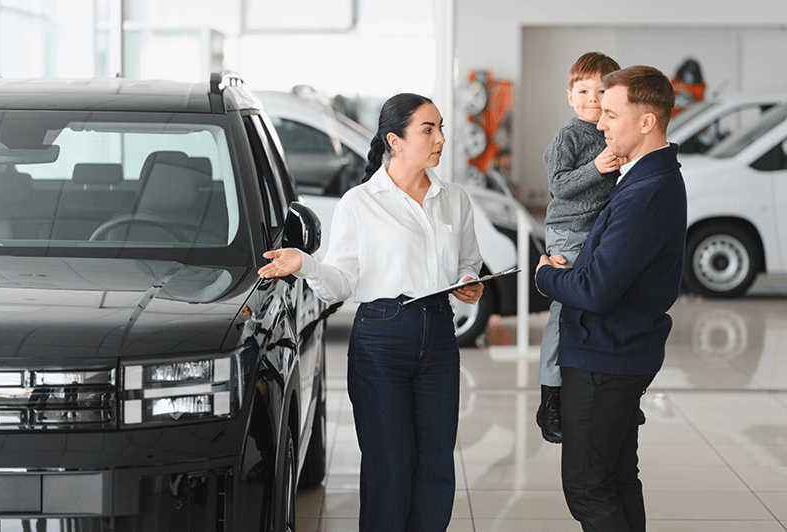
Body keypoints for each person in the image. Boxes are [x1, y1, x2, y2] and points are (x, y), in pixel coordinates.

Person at [257, 93, 484, 532]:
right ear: (394, 141)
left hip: (438, 334)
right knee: (389, 463)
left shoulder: (454, 199)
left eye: (441, 128)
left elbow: (467, 262)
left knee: (436, 461)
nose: (440, 139)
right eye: (428, 130)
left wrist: (469, 280)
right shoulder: (360, 203)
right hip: (381, 337)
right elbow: (341, 283)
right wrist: (307, 265)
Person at [534, 65, 687, 532]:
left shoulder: (646, 190)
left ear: (646, 121)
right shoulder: (644, 177)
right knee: (617, 478)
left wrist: (547, 278)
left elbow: (596, 291)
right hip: (618, 350)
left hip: (606, 356)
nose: (599, 123)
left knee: (587, 488)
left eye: (612, 114)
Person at [537, 51, 622, 444]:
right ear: (570, 95)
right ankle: (549, 397)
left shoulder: (610, 132)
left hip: (602, 232)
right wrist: (598, 168)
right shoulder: (569, 136)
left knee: (605, 304)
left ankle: (611, 391)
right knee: (564, 309)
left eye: (601, 90)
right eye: (583, 90)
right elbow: (558, 186)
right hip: (570, 234)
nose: (592, 98)